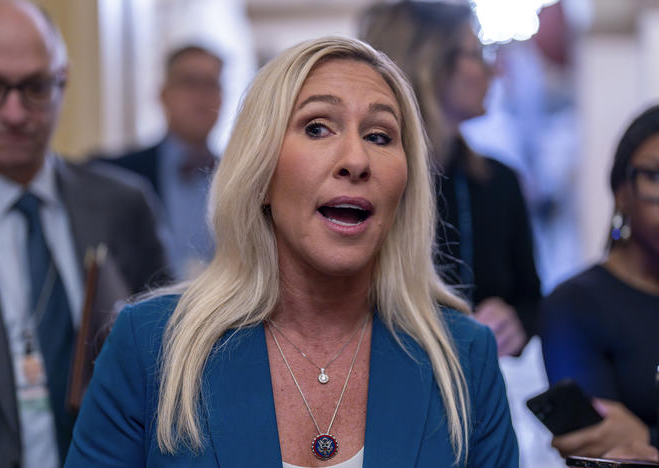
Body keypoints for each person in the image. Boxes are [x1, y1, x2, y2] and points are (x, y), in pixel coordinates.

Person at [65, 37, 518, 467]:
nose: (356, 160)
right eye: (317, 127)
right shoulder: (148, 346)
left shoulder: (466, 357)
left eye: (380, 136)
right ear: (260, 173)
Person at [0, 1, 168, 467]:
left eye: (34, 87)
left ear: (62, 81)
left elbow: (170, 359)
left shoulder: (123, 205)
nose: (14, 113)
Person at [359, 0, 541, 358]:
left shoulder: (499, 181)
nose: (494, 71)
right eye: (477, 54)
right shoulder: (362, 179)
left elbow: (531, 300)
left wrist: (515, 321)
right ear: (429, 66)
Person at [540, 104, 659, 458]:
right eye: (655, 176)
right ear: (622, 192)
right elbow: (602, 452)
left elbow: (638, 445)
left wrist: (647, 437)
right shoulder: (575, 304)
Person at [99, 44, 223, 277]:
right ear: (163, 95)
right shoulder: (117, 173)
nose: (201, 96)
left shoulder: (245, 176)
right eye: (189, 82)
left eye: (211, 84)